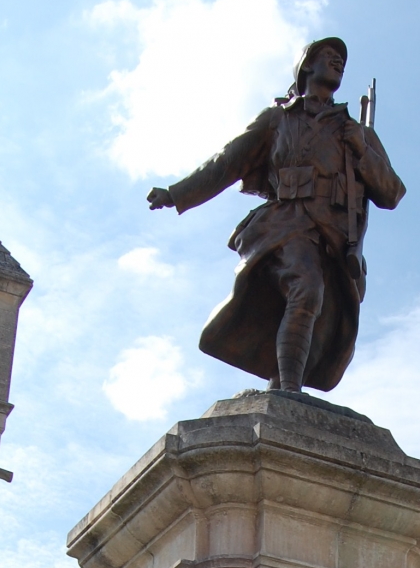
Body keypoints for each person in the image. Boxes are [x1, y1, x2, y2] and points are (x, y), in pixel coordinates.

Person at [148, 38, 405, 393]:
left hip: (334, 237)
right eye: (328, 57)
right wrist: (177, 193)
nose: (337, 63)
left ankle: (283, 384)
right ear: (306, 66)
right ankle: (289, 392)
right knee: (307, 287)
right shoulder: (277, 120)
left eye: (341, 60)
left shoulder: (356, 131)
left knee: (318, 311)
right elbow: (227, 161)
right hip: (286, 222)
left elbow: (391, 192)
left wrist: (362, 149)